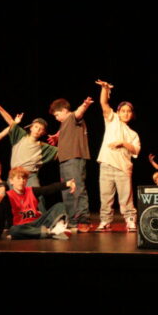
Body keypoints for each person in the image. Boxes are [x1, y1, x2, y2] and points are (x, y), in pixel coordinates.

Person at [94, 79, 141, 232]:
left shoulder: (133, 134)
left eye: (129, 111)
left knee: (126, 197)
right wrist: (104, 89)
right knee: (106, 196)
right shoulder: (112, 120)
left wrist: (122, 143)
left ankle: (130, 220)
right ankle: (105, 221)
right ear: (119, 112)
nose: (126, 113)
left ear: (132, 114)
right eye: (123, 111)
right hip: (107, 163)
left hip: (123, 168)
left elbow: (135, 150)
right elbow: (104, 103)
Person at [0, 99, 58, 187]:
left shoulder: (43, 147)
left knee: (35, 198)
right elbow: (10, 121)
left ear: (43, 133)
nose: (38, 130)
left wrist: (60, 135)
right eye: (36, 127)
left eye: (41, 129)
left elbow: (62, 152)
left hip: (30, 176)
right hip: (15, 174)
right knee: (14, 199)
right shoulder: (20, 136)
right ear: (31, 127)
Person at [49, 95, 94, 229]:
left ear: (64, 110)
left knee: (78, 189)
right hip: (64, 161)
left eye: (57, 115)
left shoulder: (72, 117)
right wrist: (58, 136)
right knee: (67, 191)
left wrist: (85, 105)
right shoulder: (64, 124)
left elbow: (78, 113)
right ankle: (72, 221)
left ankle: (83, 220)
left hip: (74, 159)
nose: (56, 118)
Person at [3, 166, 76, 240]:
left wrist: (67, 184)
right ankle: (50, 232)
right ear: (11, 181)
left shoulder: (31, 191)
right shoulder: (8, 196)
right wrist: (1, 188)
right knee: (14, 230)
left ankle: (56, 228)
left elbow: (49, 189)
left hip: (38, 223)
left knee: (60, 205)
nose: (22, 181)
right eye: (18, 178)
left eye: (24, 178)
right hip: (22, 226)